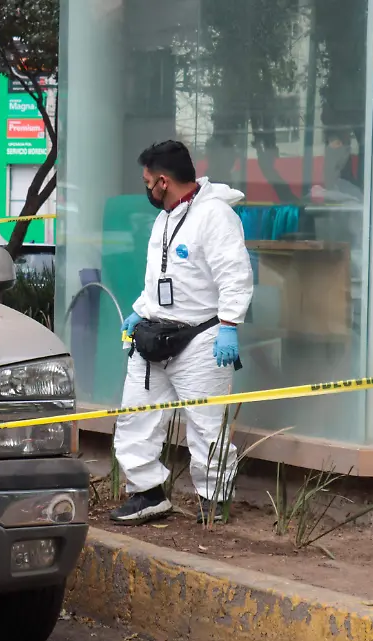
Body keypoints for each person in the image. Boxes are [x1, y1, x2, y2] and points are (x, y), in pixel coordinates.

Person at [111, 140, 254, 526]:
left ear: (162, 181)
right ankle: (148, 494)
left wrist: (229, 325)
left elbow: (235, 275)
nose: (145, 188)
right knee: (136, 417)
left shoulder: (215, 216)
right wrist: (139, 311)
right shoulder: (165, 218)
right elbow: (163, 276)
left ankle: (214, 501)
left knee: (207, 425)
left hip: (202, 337)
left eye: (146, 181)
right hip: (154, 334)